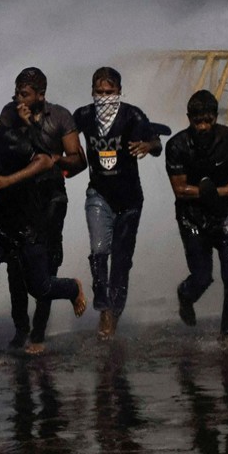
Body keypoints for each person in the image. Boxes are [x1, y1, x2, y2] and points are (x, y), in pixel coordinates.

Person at [0, 92, 86, 369]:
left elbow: (45, 161)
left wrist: (7, 181)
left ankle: (72, 288)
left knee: (41, 287)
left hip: (27, 226)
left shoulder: (8, 137)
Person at [165, 90, 228, 340]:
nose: (202, 126)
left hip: (224, 215)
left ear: (215, 117)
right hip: (192, 218)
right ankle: (186, 295)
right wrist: (225, 190)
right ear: (189, 118)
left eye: (207, 120)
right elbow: (180, 190)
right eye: (196, 121)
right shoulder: (177, 145)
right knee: (202, 276)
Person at [0, 67, 86, 354]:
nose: (18, 98)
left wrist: (56, 160)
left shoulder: (59, 116)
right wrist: (22, 125)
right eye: (16, 92)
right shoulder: (10, 115)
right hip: (18, 198)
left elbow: (79, 160)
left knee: (46, 263)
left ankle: (38, 330)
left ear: (41, 95)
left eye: (24, 94)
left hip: (50, 197)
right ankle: (20, 328)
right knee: (15, 265)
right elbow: (6, 150)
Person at [72, 67, 163, 340]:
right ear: (91, 92)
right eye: (99, 92)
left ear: (119, 92)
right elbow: (62, 133)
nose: (104, 97)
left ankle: (115, 311)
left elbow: (156, 142)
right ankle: (103, 306)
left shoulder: (132, 115)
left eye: (109, 92)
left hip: (130, 199)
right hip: (98, 194)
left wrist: (148, 147)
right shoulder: (84, 115)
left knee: (121, 261)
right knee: (99, 250)